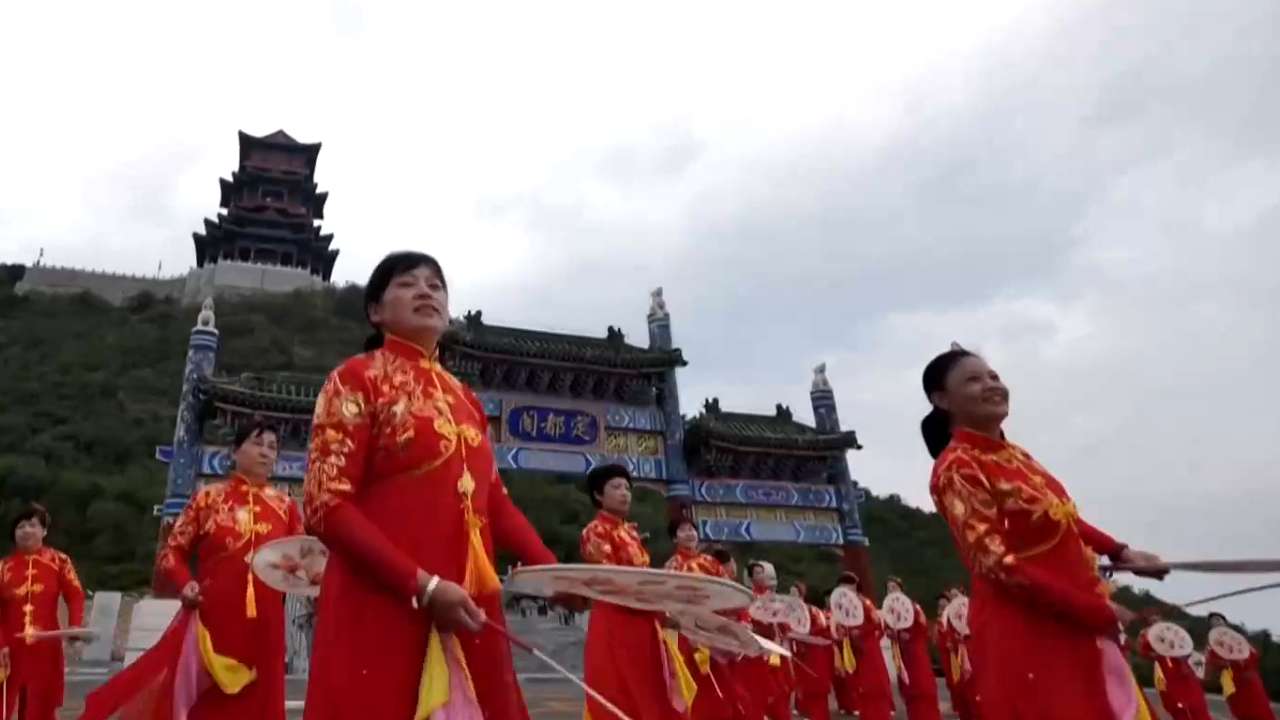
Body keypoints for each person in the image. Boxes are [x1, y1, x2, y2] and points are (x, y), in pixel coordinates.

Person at [301, 252, 557, 720]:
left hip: (469, 605)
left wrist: (555, 573)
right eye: (407, 283)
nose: (426, 290)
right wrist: (423, 585)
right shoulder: (356, 378)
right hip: (383, 599)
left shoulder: (467, 400)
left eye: (436, 285)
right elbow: (325, 505)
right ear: (376, 311)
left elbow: (494, 503)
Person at [922, 345, 1167, 720]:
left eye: (993, 377)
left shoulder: (1015, 456)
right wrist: (1093, 610)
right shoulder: (957, 468)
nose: (992, 385)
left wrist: (1120, 552)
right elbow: (994, 564)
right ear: (942, 399)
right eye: (973, 380)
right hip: (1027, 630)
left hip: (1073, 617)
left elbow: (1063, 518)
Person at [81, 422, 301, 720]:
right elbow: (171, 552)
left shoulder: (285, 506)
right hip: (213, 617)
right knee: (208, 700)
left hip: (267, 623)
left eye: (272, 447)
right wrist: (185, 583)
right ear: (235, 451)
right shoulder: (208, 498)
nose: (265, 452)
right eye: (257, 443)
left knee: (260, 700)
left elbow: (301, 558)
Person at [581, 465, 693, 720]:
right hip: (615, 621)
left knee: (652, 691)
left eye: (628, 488)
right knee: (620, 694)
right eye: (616, 487)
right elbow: (610, 581)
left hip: (645, 622)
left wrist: (662, 612)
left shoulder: (631, 532)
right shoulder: (595, 531)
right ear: (599, 495)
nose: (625, 493)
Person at [0, 504, 85, 720]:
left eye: (32, 525)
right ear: (14, 533)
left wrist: (75, 625)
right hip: (9, 648)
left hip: (45, 647)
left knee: (40, 706)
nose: (26, 530)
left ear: (44, 531)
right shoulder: (3, 567)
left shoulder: (59, 561)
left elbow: (75, 595)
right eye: (20, 526)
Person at [664, 518, 733, 720]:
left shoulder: (710, 563)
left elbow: (727, 592)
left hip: (713, 632)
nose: (689, 533)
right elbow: (668, 604)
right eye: (683, 530)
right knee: (691, 685)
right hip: (685, 635)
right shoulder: (671, 567)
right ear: (674, 538)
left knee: (720, 684)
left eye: (692, 529)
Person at [834, 572, 894, 720]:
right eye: (842, 585)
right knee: (860, 688)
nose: (844, 589)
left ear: (854, 586)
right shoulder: (842, 607)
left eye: (847, 585)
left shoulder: (865, 603)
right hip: (854, 651)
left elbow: (877, 626)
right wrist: (843, 633)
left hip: (868, 650)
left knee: (873, 686)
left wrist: (860, 633)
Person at [740, 561, 794, 720]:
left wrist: (783, 628)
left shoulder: (773, 599)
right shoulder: (748, 598)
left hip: (777, 651)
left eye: (762, 572)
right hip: (760, 651)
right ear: (750, 578)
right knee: (760, 693)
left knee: (782, 690)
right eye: (757, 573)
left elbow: (784, 623)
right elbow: (746, 623)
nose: (761, 576)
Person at [885, 577, 942, 720]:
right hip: (901, 654)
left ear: (901, 589)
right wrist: (891, 633)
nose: (891, 590)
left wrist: (909, 635)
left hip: (916, 653)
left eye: (894, 587)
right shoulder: (888, 610)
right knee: (908, 690)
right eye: (888, 588)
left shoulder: (914, 607)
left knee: (922, 688)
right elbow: (886, 628)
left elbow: (923, 628)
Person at [1137, 614, 1211, 720]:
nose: (1155, 621)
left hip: (1189, 680)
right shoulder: (1149, 638)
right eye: (1152, 620)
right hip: (1171, 680)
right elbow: (1144, 652)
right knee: (1180, 711)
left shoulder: (1176, 635)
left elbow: (1193, 655)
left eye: (1157, 619)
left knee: (1200, 709)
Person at [1204, 613, 1276, 720]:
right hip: (1231, 681)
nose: (1216, 623)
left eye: (1218, 619)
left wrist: (1244, 661)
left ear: (1225, 623)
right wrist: (1227, 663)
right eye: (1213, 622)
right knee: (1241, 711)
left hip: (1250, 680)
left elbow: (1254, 656)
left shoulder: (1239, 640)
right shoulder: (1212, 645)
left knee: (1261, 709)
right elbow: (1211, 664)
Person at [788, 582, 834, 720]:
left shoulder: (814, 611)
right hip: (800, 656)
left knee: (816, 694)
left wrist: (804, 634)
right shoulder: (789, 613)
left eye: (795, 593)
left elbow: (823, 630)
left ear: (803, 595)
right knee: (805, 692)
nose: (792, 596)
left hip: (815, 655)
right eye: (790, 593)